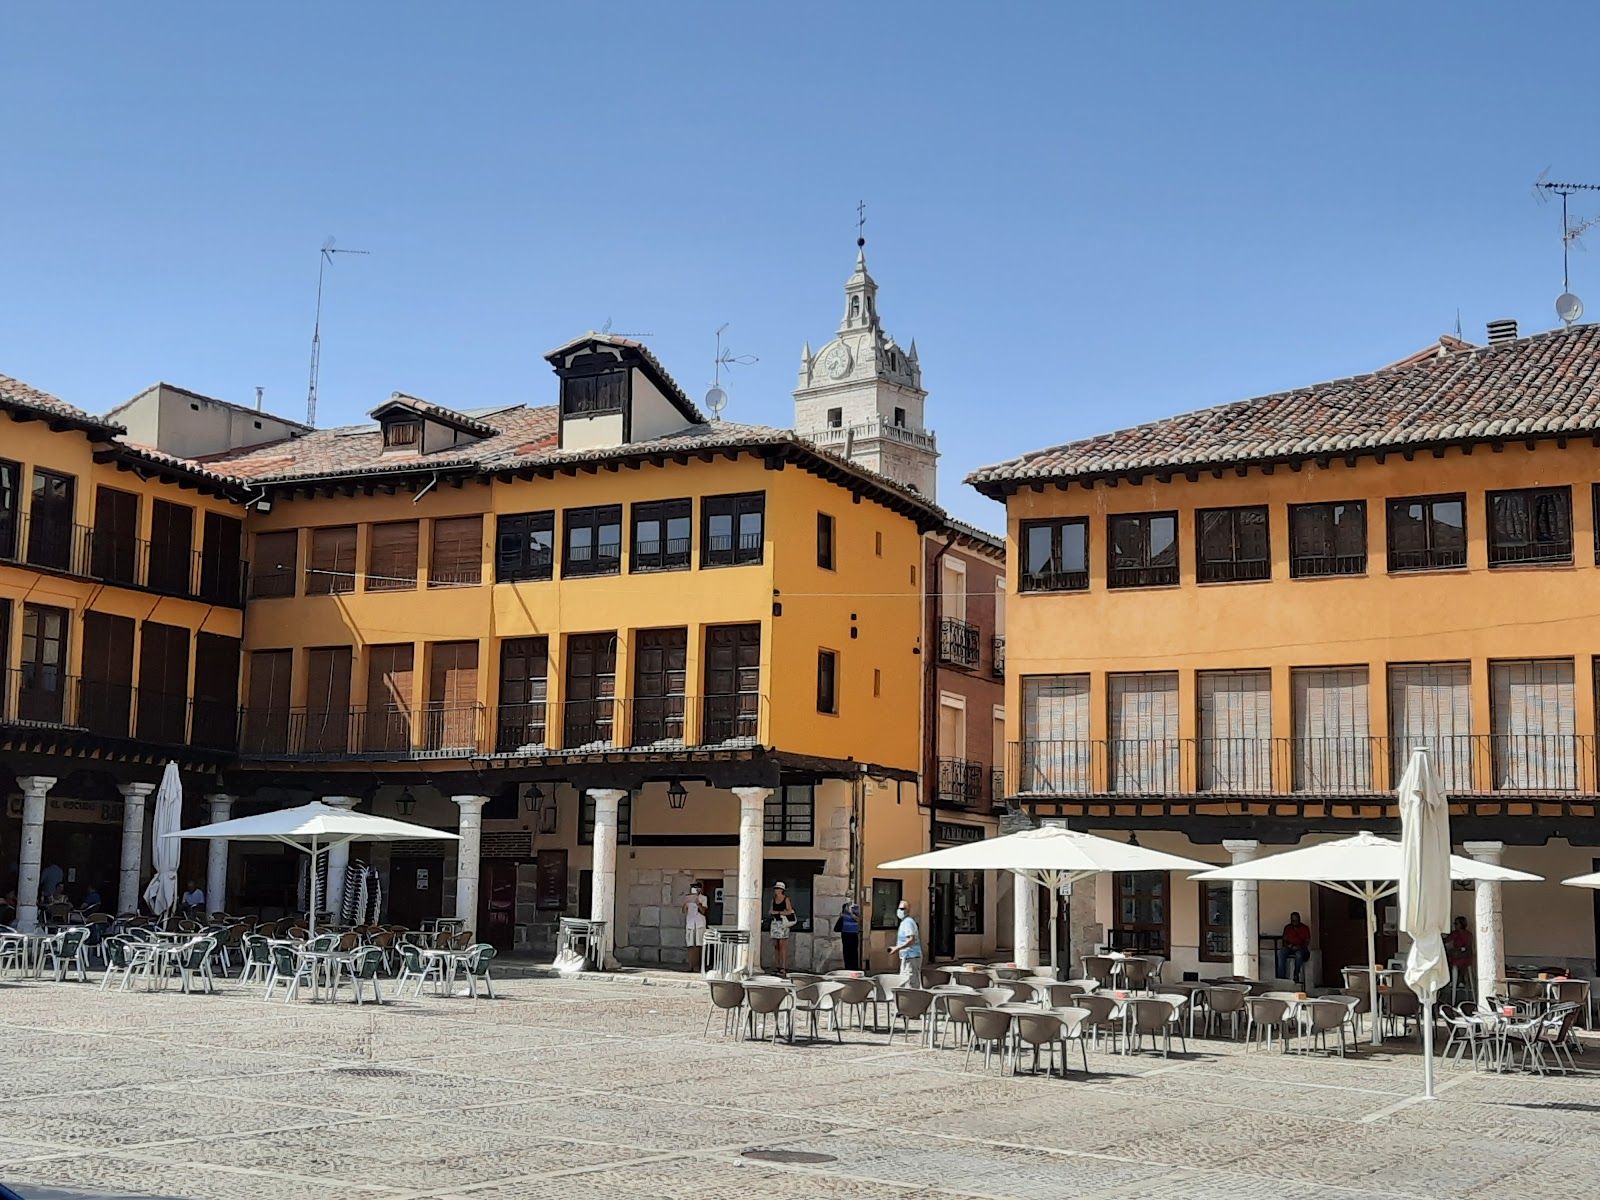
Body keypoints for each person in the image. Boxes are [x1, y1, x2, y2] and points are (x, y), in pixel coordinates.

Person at [890, 898, 922, 987]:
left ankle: (913, 1000)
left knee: (910, 982)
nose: (900, 911)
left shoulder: (908, 922)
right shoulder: (904, 922)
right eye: (899, 908)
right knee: (905, 981)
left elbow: (911, 940)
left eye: (903, 909)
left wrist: (897, 948)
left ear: (908, 910)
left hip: (911, 956)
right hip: (906, 956)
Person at [768, 882, 796, 975]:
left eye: (778, 889)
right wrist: (776, 912)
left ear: (782, 890)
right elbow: (770, 910)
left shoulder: (786, 899)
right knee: (776, 945)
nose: (776, 890)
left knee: (782, 945)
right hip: (775, 923)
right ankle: (777, 965)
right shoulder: (773, 899)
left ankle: (783, 967)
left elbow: (789, 911)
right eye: (775, 888)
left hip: (783, 923)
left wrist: (778, 912)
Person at [681, 882, 709, 973]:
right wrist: (685, 903)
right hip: (690, 924)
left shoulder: (703, 898)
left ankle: (698, 966)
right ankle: (691, 965)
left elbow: (703, 911)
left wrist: (698, 903)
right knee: (690, 945)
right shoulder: (688, 898)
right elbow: (684, 911)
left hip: (699, 924)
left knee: (699, 945)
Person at [1278, 911, 1311, 983]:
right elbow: (1284, 940)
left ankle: (1296, 975)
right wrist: (1289, 946)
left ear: (1299, 919)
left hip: (1301, 948)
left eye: (1296, 920)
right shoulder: (1287, 928)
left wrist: (1299, 946)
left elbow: (1307, 941)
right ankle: (1281, 977)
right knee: (1281, 953)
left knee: (1299, 955)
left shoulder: (1305, 928)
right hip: (1290, 947)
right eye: (1293, 920)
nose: (1294, 922)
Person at [1445, 914, 1473, 995]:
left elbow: (1468, 947)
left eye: (1456, 924)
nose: (1455, 925)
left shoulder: (1465, 934)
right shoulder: (1456, 934)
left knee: (1455, 961)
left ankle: (1457, 980)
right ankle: (1457, 980)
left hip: (1463, 956)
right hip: (1459, 955)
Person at [833, 900, 862, 971]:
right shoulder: (844, 906)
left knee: (853, 951)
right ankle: (847, 968)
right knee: (846, 951)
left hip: (853, 932)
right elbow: (842, 917)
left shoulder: (856, 907)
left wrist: (850, 912)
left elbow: (858, 919)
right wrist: (841, 916)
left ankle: (854, 968)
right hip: (845, 931)